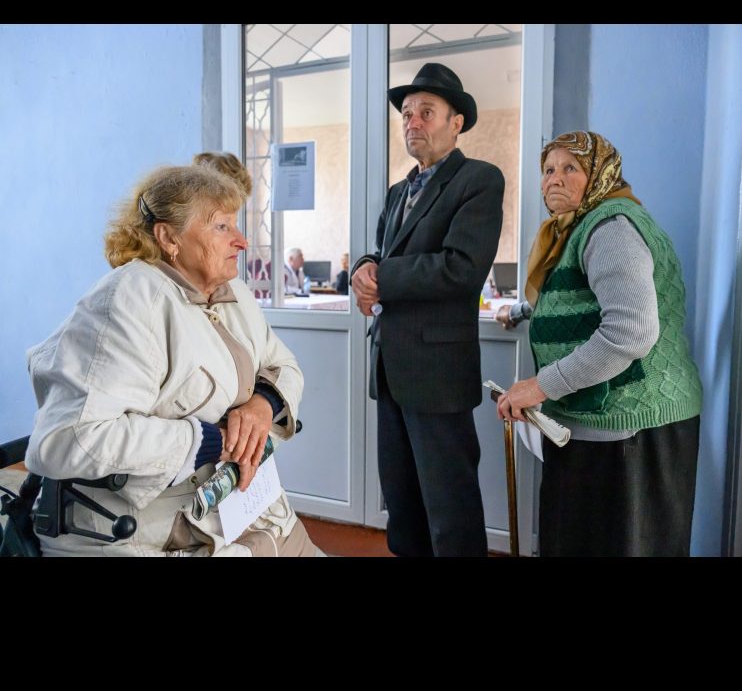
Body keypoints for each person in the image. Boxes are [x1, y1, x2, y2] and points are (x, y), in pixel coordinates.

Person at [25, 164, 323, 556]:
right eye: (221, 227)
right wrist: (205, 441)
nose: (241, 241)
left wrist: (262, 404)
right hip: (148, 532)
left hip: (245, 511)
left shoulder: (233, 293)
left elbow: (283, 364)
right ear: (168, 237)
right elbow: (66, 441)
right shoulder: (127, 301)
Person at [495, 131, 703, 557]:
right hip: (603, 418)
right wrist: (518, 312)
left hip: (630, 426)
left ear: (601, 174)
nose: (554, 178)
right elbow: (574, 298)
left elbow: (630, 332)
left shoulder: (611, 228)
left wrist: (539, 386)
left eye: (571, 168)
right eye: (548, 169)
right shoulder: (575, 230)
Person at [351, 62, 504, 557]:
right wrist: (364, 267)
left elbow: (461, 268)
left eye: (426, 113)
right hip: (391, 367)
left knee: (450, 504)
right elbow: (383, 252)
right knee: (403, 501)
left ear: (456, 122)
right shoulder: (400, 192)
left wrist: (383, 280)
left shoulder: (479, 180)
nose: (412, 123)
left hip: (438, 372)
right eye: (407, 115)